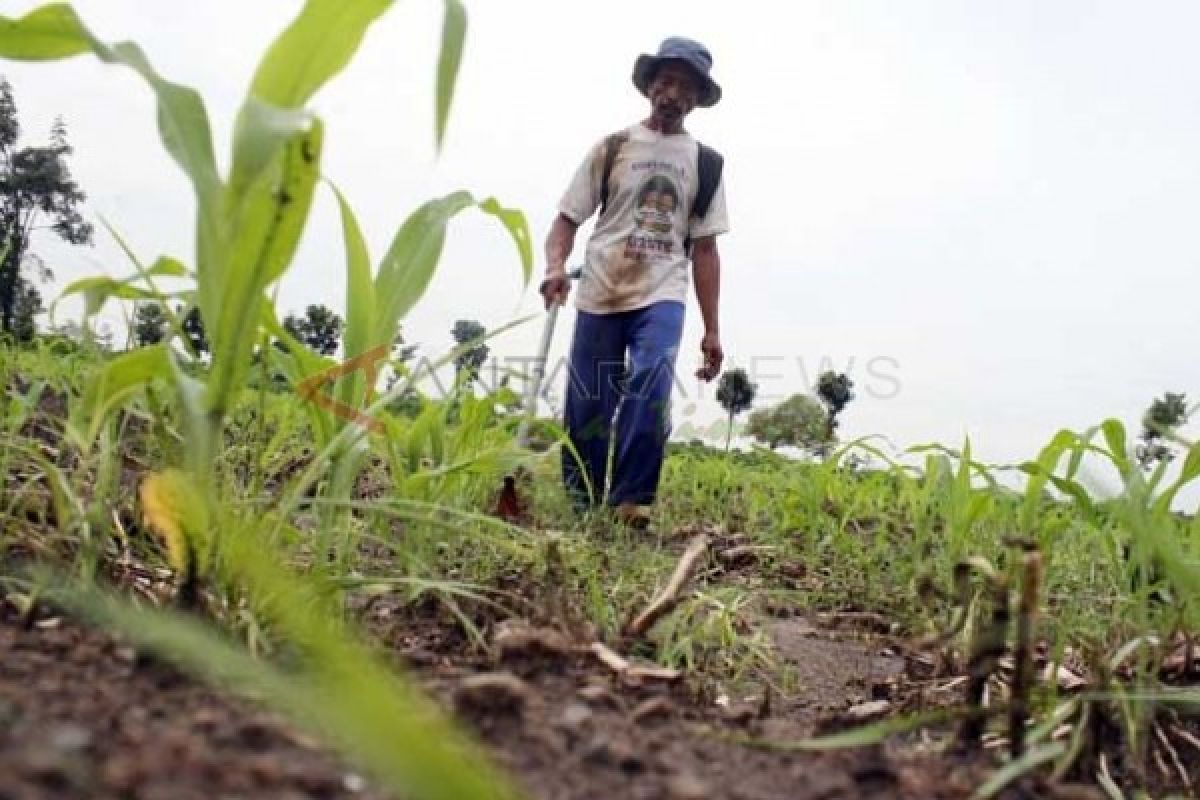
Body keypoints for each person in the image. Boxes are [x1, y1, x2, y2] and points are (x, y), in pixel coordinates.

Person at [540, 36, 730, 527]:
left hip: (662, 289)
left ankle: (631, 501)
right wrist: (555, 268)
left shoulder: (705, 164)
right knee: (589, 400)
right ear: (649, 86)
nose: (673, 94)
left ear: (696, 99)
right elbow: (566, 220)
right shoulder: (613, 147)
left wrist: (712, 329)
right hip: (602, 286)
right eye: (665, 81)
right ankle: (583, 503)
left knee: (650, 381)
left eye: (685, 87)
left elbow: (706, 249)